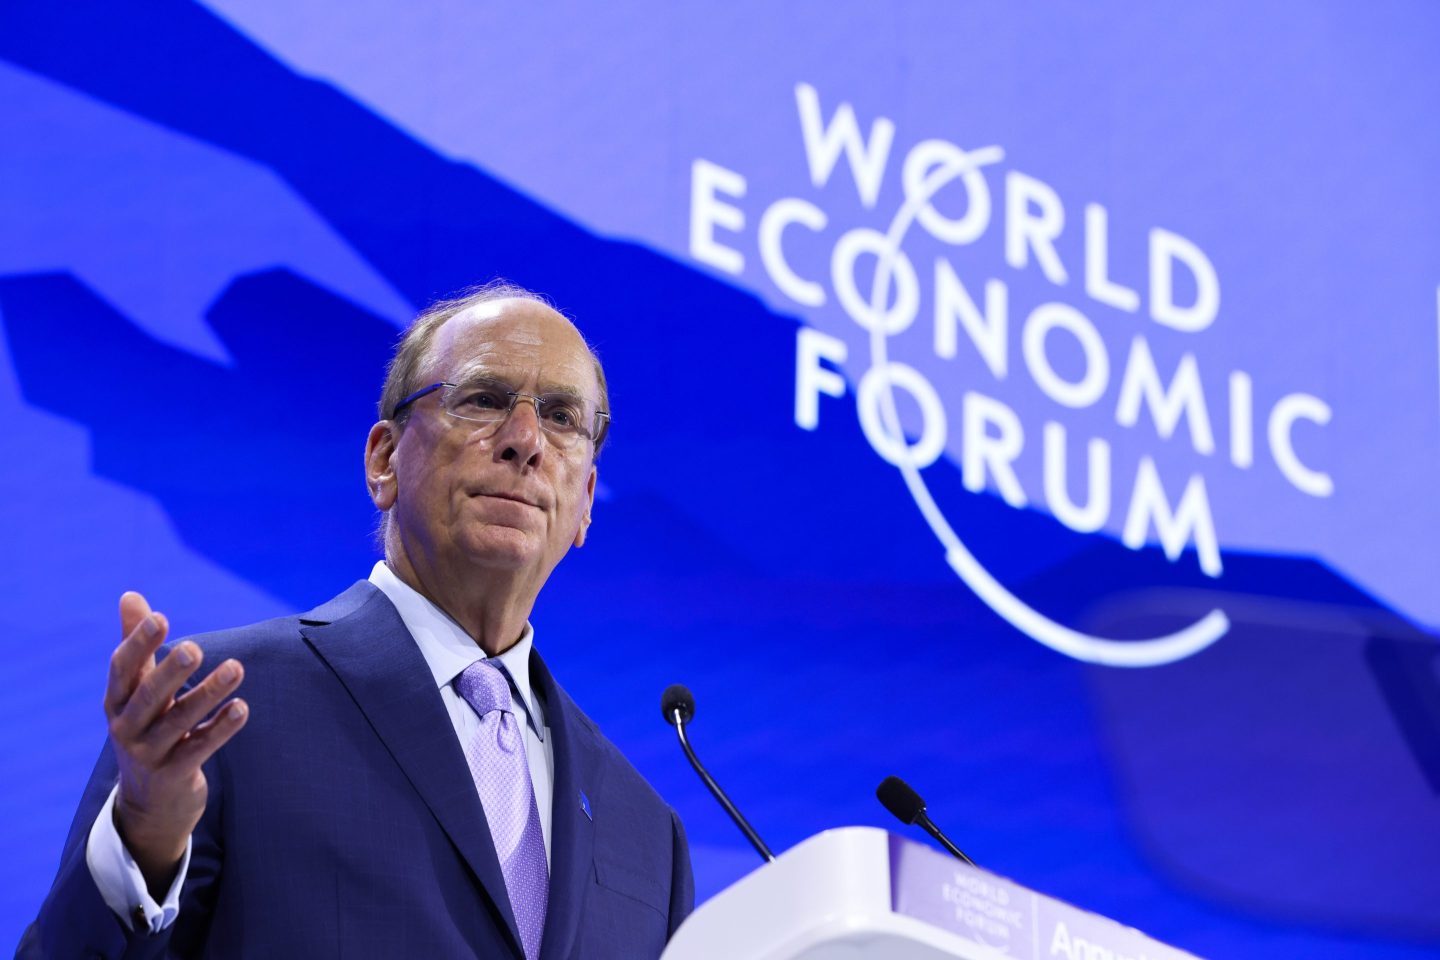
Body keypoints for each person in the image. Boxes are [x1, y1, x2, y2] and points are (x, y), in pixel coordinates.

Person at [19, 284, 694, 959]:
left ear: (586, 503)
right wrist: (142, 839)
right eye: (484, 399)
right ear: (383, 460)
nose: (525, 441)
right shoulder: (220, 713)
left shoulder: (648, 835)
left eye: (562, 417)